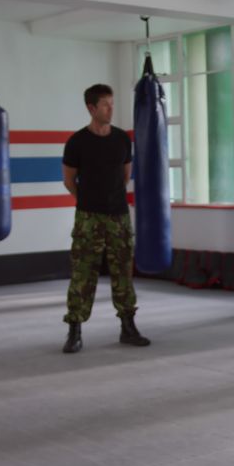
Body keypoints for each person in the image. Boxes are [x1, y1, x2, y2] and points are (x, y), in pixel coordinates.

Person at [61, 84, 150, 353]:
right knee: (82, 273)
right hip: (88, 217)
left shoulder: (122, 139)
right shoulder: (77, 142)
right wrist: (88, 201)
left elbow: (125, 176)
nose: (111, 109)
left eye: (112, 103)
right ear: (91, 108)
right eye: (105, 105)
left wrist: (111, 200)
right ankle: (74, 329)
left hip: (119, 217)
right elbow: (68, 180)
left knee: (122, 271)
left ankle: (128, 326)